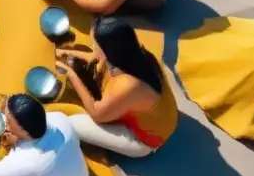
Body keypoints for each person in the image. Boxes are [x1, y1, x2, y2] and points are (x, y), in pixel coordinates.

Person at [57, 16, 179, 157]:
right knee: (94, 68)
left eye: (94, 44)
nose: (92, 47)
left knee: (73, 123)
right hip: (160, 118)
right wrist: (68, 53)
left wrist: (71, 74)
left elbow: (97, 114)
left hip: (143, 141)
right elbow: (96, 57)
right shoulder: (137, 54)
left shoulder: (127, 85)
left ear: (108, 50)